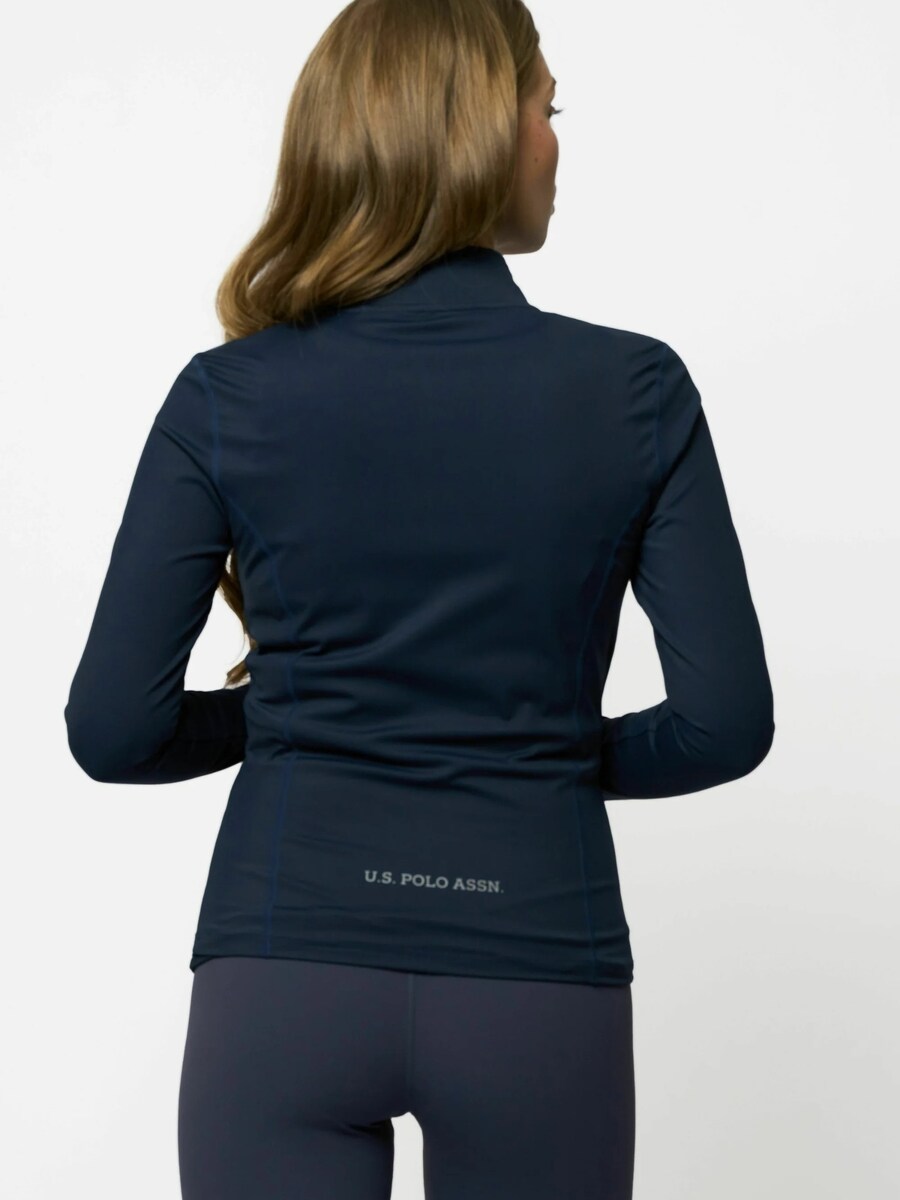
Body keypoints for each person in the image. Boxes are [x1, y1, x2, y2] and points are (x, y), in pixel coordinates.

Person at [63, 1, 775, 1196]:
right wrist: (530, 750)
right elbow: (725, 725)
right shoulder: (635, 391)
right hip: (536, 969)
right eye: (546, 108)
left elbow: (113, 732)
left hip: (281, 975)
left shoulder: (227, 395)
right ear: (476, 134)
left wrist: (293, 715)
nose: (555, 140)